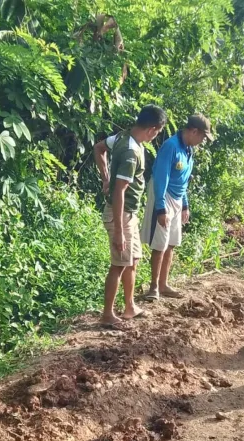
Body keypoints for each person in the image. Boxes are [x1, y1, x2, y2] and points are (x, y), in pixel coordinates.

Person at [93, 105, 167, 328]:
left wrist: (105, 177)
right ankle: (107, 315)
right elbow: (119, 192)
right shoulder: (130, 153)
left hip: (129, 213)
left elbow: (99, 148)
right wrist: (118, 230)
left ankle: (130, 307)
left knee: (132, 260)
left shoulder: (122, 137)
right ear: (152, 129)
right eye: (157, 132)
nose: (155, 137)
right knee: (118, 264)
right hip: (121, 215)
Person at [141, 114, 214, 300]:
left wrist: (185, 204)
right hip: (163, 195)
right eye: (203, 137)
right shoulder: (171, 146)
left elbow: (183, 180)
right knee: (159, 244)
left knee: (171, 243)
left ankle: (164, 284)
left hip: (177, 198)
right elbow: (161, 178)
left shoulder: (188, 150)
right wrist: (160, 208)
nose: (203, 141)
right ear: (194, 131)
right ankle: (153, 287)